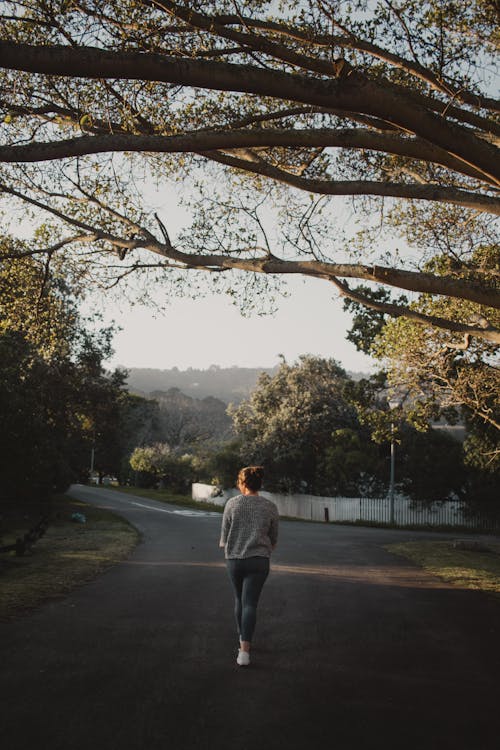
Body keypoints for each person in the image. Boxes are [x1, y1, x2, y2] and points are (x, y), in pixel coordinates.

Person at [219, 466, 279, 666]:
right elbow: (273, 539)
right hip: (259, 560)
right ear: (259, 483)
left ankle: (241, 641)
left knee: (239, 599)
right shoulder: (270, 506)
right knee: (250, 603)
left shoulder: (231, 504)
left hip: (234, 560)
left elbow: (224, 539)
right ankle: (245, 650)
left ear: (242, 483)